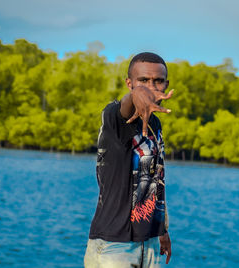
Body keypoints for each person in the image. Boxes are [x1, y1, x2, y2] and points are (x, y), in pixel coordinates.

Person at [84, 52, 173, 267]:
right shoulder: (115, 117)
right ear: (129, 83)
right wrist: (136, 96)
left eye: (157, 81)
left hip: (149, 244)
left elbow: (155, 179)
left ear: (166, 85)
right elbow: (127, 104)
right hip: (113, 247)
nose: (150, 87)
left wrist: (162, 230)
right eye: (142, 81)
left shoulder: (156, 125)